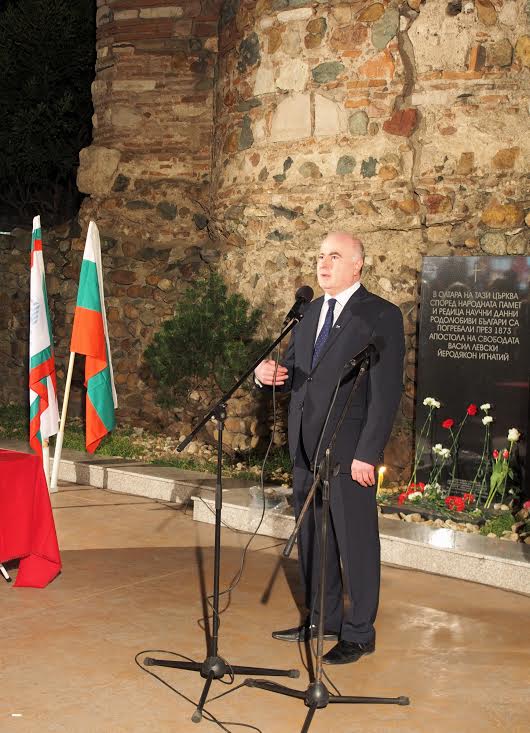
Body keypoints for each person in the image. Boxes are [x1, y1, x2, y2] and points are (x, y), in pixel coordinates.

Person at [254, 231, 405, 665]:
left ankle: (359, 633)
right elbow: (293, 371)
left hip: (349, 450)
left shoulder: (380, 314)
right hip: (305, 447)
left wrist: (368, 453)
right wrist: (267, 375)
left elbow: (386, 392)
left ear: (357, 265)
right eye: (320, 255)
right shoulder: (309, 312)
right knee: (314, 538)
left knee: (355, 542)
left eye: (334, 256)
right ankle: (323, 617)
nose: (323, 263)